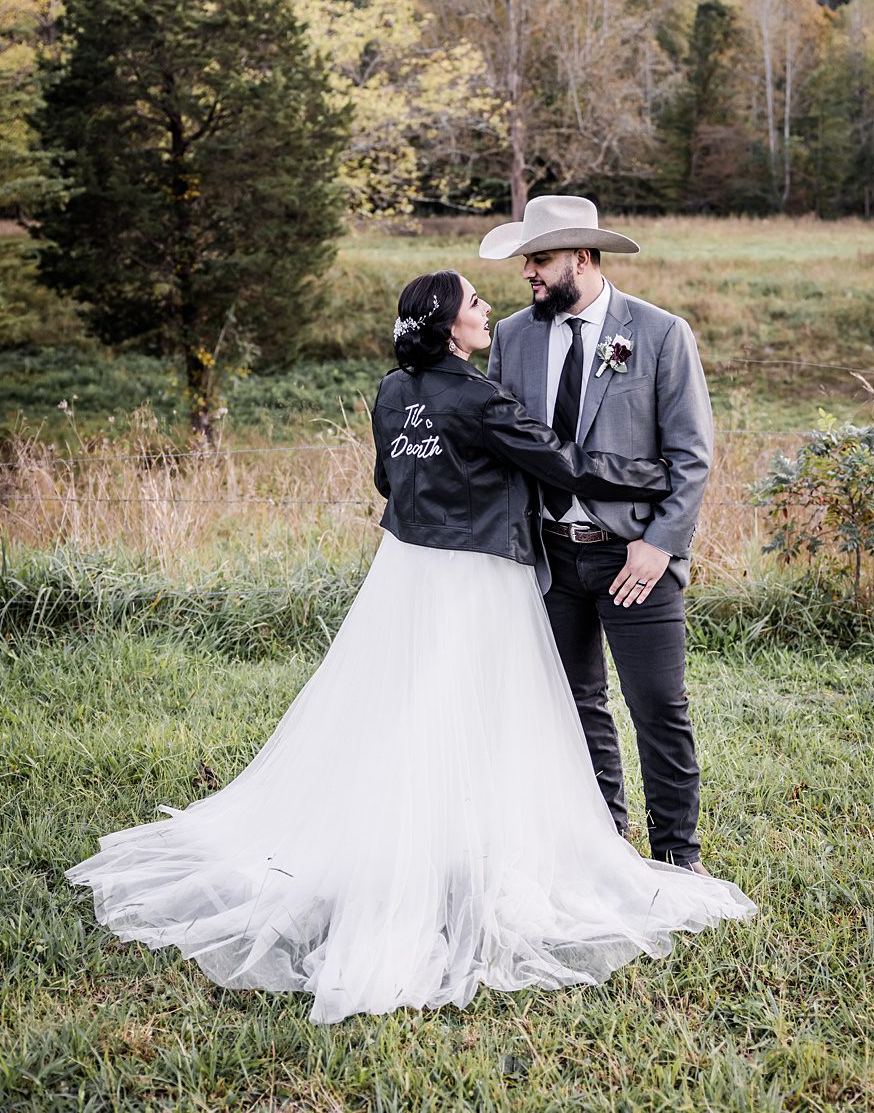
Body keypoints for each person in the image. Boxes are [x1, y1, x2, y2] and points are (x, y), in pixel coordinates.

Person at [66, 269, 753, 1024]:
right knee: (488, 712)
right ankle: (479, 858)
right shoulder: (479, 396)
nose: (491, 309)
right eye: (476, 304)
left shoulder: (393, 391)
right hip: (477, 577)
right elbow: (561, 463)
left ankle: (423, 846)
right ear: (452, 328)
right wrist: (648, 473)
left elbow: (387, 478)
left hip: (408, 572)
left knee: (411, 709)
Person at [483, 195, 714, 871]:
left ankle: (678, 857)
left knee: (659, 707)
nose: (528, 271)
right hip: (550, 558)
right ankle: (603, 848)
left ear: (582, 257)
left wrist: (660, 542)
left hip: (633, 556)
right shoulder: (512, 336)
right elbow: (506, 447)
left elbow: (692, 452)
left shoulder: (661, 332)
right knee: (574, 706)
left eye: (540, 258)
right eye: (527, 259)